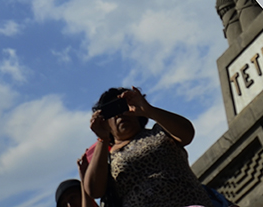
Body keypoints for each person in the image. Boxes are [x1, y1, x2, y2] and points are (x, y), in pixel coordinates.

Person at [83, 86, 213, 207]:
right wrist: (102, 138)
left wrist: (148, 110)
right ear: (104, 120)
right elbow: (94, 190)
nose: (119, 114)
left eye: (122, 107)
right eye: (111, 111)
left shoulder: (159, 131)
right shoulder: (106, 157)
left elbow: (187, 134)